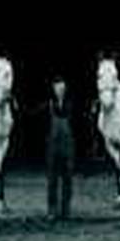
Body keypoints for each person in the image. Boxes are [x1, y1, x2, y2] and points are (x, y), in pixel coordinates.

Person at [45, 74, 76, 220]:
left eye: (62, 88)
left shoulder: (71, 104)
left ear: (65, 89)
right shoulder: (49, 104)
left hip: (68, 147)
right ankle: (52, 209)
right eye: (58, 88)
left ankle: (66, 209)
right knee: (52, 179)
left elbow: (77, 124)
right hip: (53, 147)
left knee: (67, 179)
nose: (60, 91)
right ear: (53, 89)